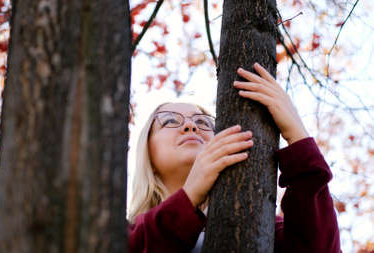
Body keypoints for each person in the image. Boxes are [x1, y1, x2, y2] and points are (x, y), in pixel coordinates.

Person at [127, 63, 341, 253]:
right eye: (169, 121)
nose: (190, 126)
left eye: (203, 123)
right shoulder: (120, 234)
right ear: (147, 151)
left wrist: (297, 135)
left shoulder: (266, 229)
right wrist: (189, 195)